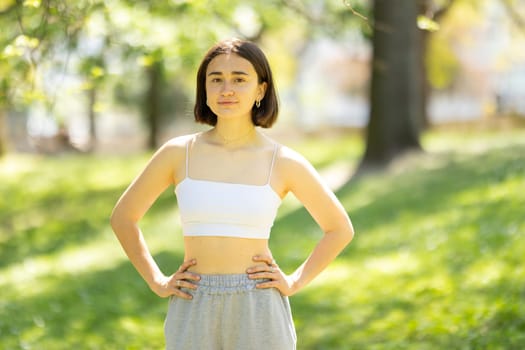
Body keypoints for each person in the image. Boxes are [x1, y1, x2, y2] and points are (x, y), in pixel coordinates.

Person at [110, 38, 354, 350]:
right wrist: (157, 281)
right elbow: (123, 218)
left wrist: (294, 281)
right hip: (194, 299)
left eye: (239, 79)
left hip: (259, 304)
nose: (227, 89)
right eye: (216, 80)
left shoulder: (283, 161)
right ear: (205, 89)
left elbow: (339, 229)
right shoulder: (177, 154)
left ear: (261, 90)